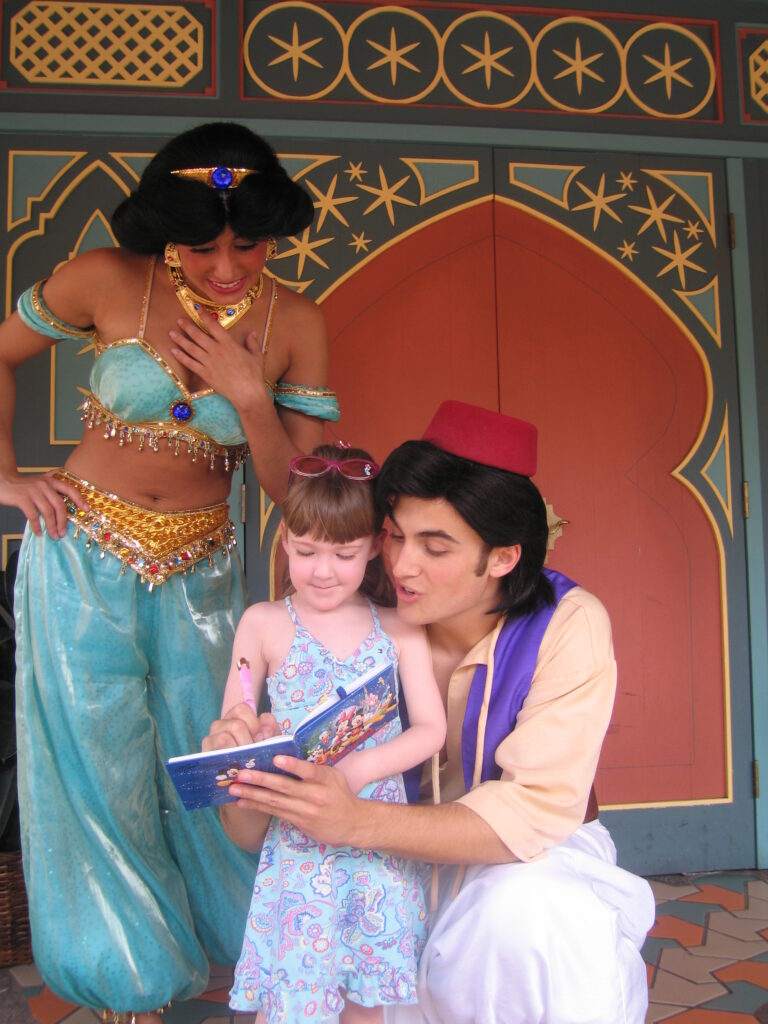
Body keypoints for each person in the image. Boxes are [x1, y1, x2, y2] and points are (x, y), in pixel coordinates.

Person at [0, 122, 340, 1022]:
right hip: (79, 552)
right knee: (95, 759)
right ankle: (128, 979)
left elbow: (298, 495)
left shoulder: (296, 323)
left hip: (205, 567)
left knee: (216, 755)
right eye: (201, 245)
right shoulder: (107, 279)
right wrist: (4, 474)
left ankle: (250, 951)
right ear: (165, 233)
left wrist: (250, 395)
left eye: (248, 243)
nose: (226, 267)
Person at [205, 401, 657, 1024]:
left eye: (434, 547)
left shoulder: (567, 623)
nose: (401, 565)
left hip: (520, 862)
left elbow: (531, 815)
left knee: (529, 919)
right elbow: (248, 832)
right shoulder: (355, 602)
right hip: (376, 866)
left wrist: (354, 816)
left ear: (501, 557)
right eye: (394, 537)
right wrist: (248, 773)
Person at [205, 443, 447, 1024]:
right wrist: (240, 733)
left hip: (378, 839)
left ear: (372, 549)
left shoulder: (399, 630)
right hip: (300, 842)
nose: (321, 570)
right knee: (293, 991)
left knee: (367, 1002)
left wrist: (357, 771)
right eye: (306, 550)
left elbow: (432, 730)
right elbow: (236, 712)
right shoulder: (263, 624)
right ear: (285, 539)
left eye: (343, 554)